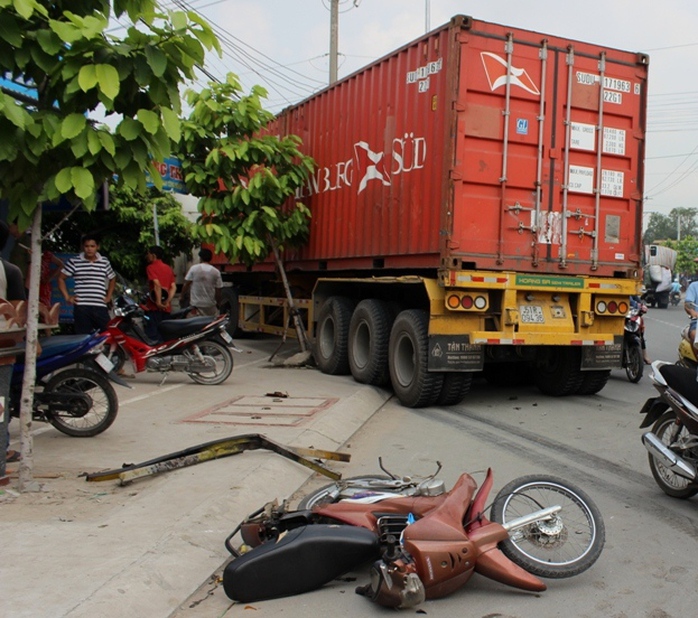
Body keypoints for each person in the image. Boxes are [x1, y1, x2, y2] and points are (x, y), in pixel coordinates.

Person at [0, 221, 27, 463]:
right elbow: (20, 313)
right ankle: (1, 453)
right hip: (4, 350)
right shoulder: (11, 271)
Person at [58, 233, 116, 334]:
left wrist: (108, 296)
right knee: (83, 337)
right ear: (83, 247)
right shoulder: (75, 261)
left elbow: (112, 278)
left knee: (107, 334)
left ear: (97, 247)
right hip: (82, 306)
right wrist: (67, 297)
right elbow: (61, 278)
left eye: (92, 246)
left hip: (100, 305)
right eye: (87, 246)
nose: (89, 249)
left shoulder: (104, 261)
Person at [144, 245, 177, 343]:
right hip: (166, 307)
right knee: (165, 333)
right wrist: (167, 302)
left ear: (153, 255)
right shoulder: (168, 268)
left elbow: (157, 285)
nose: (147, 256)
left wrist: (158, 302)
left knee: (154, 334)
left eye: (148, 254)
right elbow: (173, 287)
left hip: (154, 307)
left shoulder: (151, 267)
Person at [181, 248, 222, 316]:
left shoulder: (194, 269)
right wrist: (218, 303)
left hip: (196, 305)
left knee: (195, 324)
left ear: (200, 258)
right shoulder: (216, 272)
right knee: (210, 324)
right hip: (210, 305)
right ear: (211, 258)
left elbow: (186, 284)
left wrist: (181, 296)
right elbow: (218, 290)